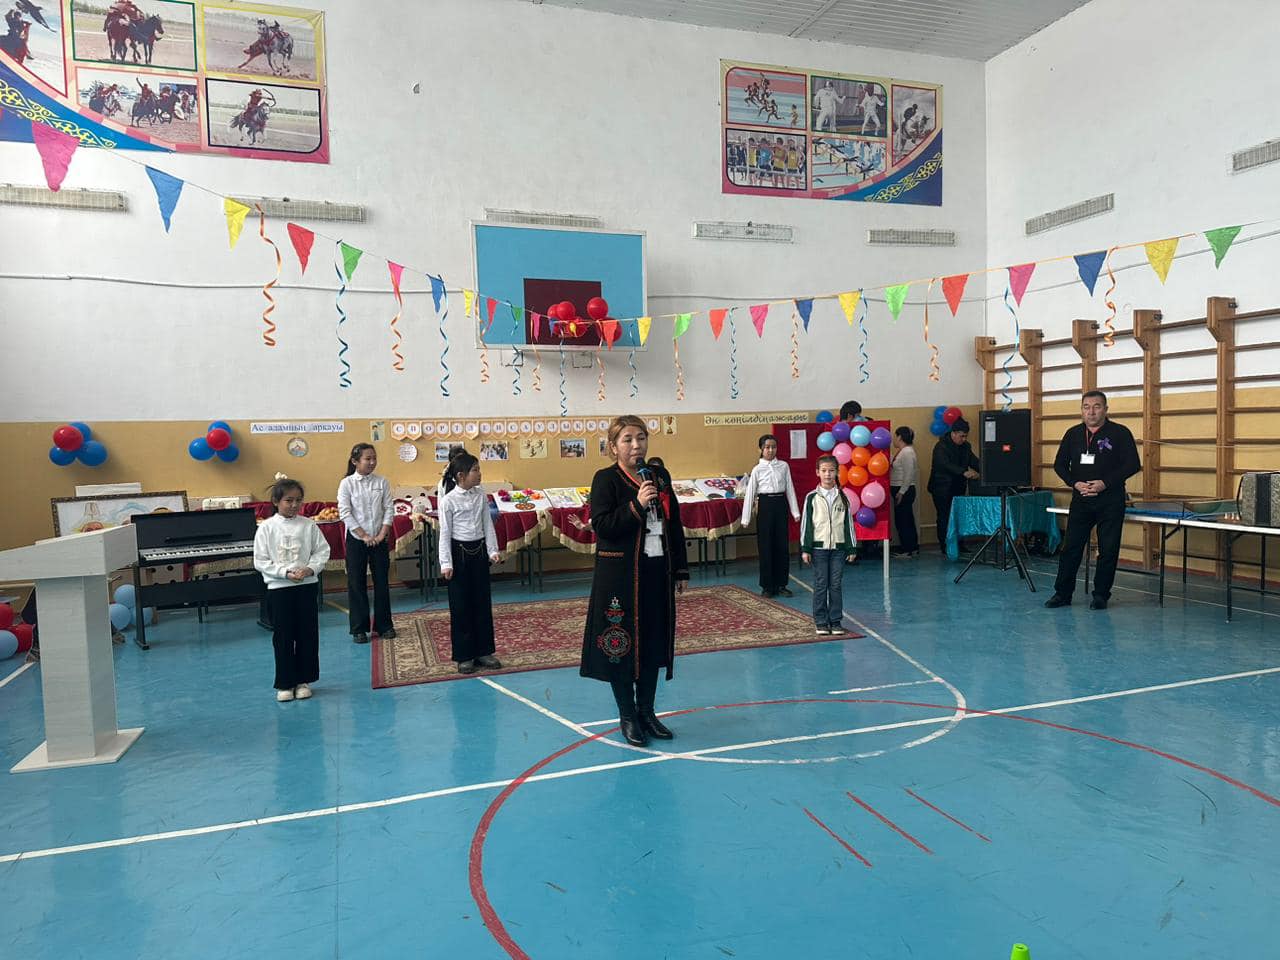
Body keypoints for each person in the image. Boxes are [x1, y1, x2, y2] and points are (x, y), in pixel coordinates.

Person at [580, 416, 688, 747]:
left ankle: (647, 713)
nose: (636, 445)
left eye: (641, 438)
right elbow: (603, 525)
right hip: (620, 578)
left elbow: (673, 524)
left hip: (656, 572)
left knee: (652, 643)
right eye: (627, 439)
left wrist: (680, 569)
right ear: (613, 446)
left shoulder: (659, 476)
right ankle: (627, 716)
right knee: (621, 645)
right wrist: (636, 505)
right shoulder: (605, 479)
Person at [1045, 390, 1141, 610]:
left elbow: (1132, 464)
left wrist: (1105, 483)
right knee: (1071, 548)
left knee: (1108, 549)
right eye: (1086, 407)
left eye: (1096, 407)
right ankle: (1062, 593)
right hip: (1082, 500)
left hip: (1110, 499)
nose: (1091, 412)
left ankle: (1101, 595)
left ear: (1105, 409)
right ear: (1081, 410)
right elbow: (1060, 465)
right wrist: (1075, 483)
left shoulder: (1120, 433)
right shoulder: (1073, 434)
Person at [253, 476, 330, 702]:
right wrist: (284, 573)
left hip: (306, 586)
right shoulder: (266, 528)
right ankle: (285, 683)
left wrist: (309, 569)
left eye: (298, 500)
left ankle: (303, 680)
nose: (294, 505)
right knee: (283, 635)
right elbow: (261, 560)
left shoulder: (309, 525)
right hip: (279, 588)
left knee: (307, 634)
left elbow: (322, 551)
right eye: (289, 500)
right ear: (276, 501)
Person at [438, 451, 502, 674]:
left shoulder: (480, 495)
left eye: (479, 469)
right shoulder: (448, 501)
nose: (479, 474)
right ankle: (464, 655)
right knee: (461, 605)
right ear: (461, 475)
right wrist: (446, 563)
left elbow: (487, 524)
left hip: (479, 551)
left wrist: (492, 550)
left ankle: (484, 651)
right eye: (475, 470)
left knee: (482, 602)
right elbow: (445, 533)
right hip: (459, 554)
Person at [337, 442, 394, 644]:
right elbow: (345, 513)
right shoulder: (347, 484)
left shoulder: (382, 482)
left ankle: (384, 625)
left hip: (379, 538)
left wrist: (381, 534)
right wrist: (363, 535)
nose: (372, 462)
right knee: (356, 583)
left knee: (382, 582)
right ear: (355, 461)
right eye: (367, 459)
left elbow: (389, 509)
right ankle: (359, 628)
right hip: (356, 540)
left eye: (374, 458)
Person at [800, 455, 858, 635]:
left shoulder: (843, 497)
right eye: (824, 471)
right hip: (818, 549)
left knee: (835, 585)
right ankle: (821, 621)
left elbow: (848, 524)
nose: (828, 474)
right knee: (821, 584)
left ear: (837, 472)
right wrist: (805, 549)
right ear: (817, 472)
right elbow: (806, 525)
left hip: (838, 549)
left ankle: (835, 621)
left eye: (831, 471)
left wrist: (851, 547)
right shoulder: (811, 497)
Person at [741, 434, 800, 597]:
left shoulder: (784, 466)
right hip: (765, 505)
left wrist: (795, 511)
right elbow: (750, 493)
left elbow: (790, 488)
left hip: (780, 503)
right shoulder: (757, 469)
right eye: (767, 447)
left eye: (773, 447)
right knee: (766, 545)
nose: (770, 450)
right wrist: (746, 517)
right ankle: (767, 586)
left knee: (782, 545)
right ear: (760, 449)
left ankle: (781, 584)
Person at [927, 418, 980, 552]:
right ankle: (945, 545)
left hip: (958, 487)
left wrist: (985, 470)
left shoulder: (966, 446)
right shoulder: (941, 446)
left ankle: (959, 544)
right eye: (961, 436)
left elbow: (974, 461)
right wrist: (963, 472)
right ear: (953, 433)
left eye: (965, 436)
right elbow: (944, 464)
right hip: (941, 488)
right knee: (944, 516)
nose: (964, 439)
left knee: (959, 516)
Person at [889, 426, 919, 558]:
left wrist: (901, 492)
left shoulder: (907, 452)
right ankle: (911, 547)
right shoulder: (902, 452)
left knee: (903, 521)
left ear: (900, 437)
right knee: (905, 519)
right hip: (901, 489)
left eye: (895, 436)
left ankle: (907, 549)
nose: (893, 439)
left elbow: (909, 474)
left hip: (904, 490)